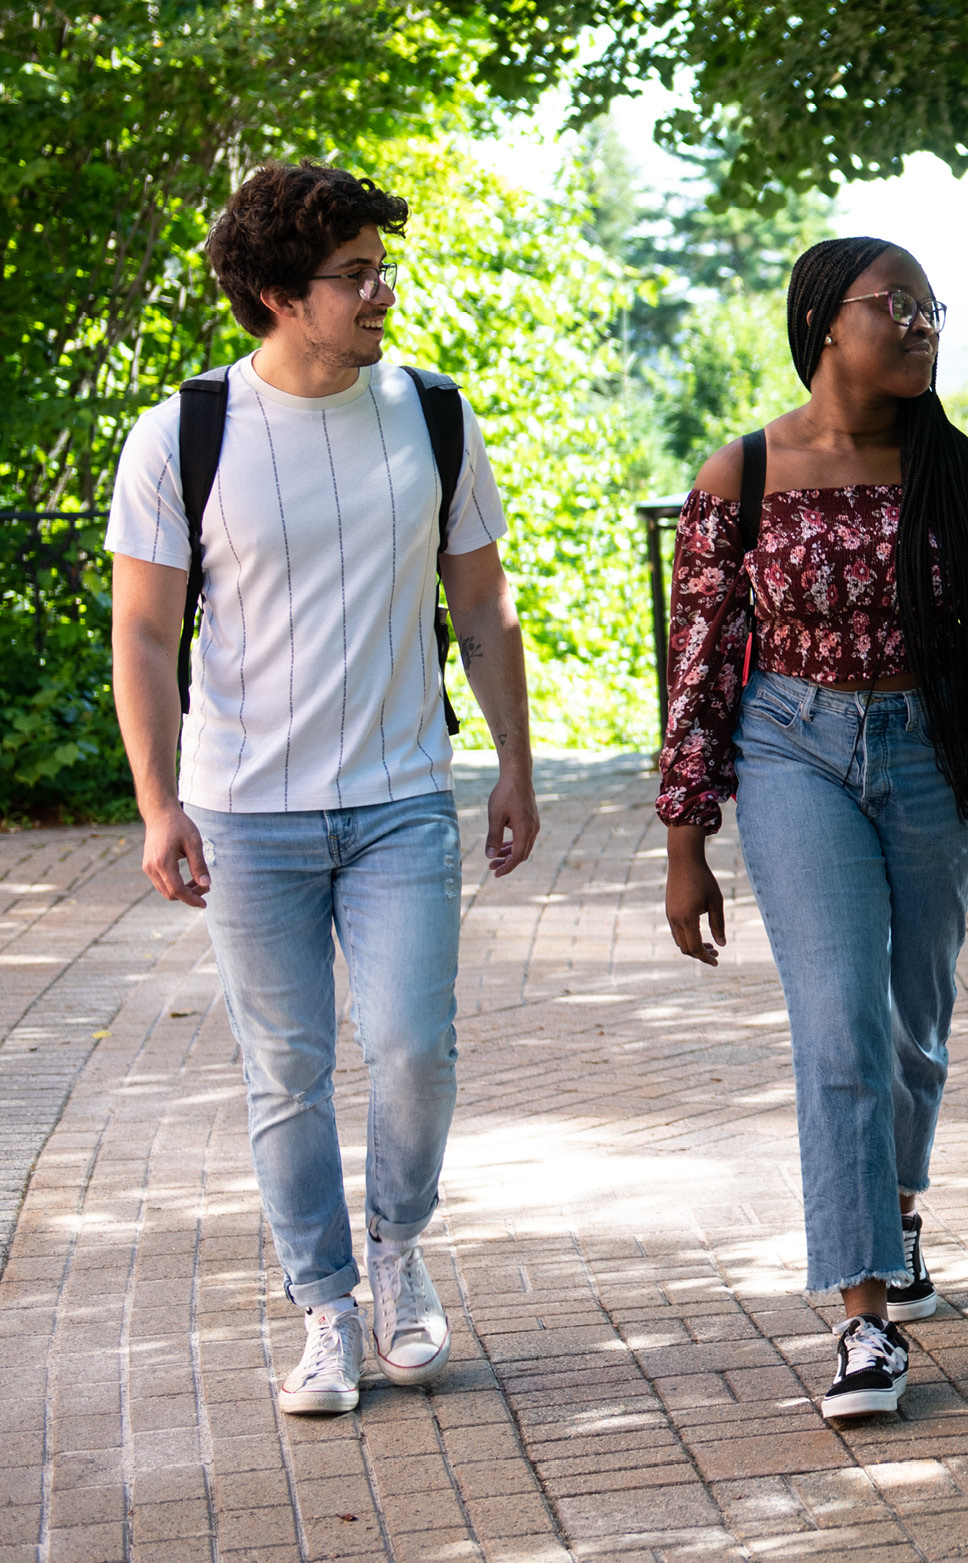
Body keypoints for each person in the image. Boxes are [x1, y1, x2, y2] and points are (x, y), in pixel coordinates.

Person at [107, 160, 539, 1415]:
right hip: (245, 809)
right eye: (354, 275)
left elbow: (482, 599)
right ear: (277, 296)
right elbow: (143, 633)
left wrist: (513, 764)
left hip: (404, 796)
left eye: (378, 268)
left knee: (411, 1045)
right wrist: (156, 800)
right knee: (283, 1072)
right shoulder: (184, 434)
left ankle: (399, 1254)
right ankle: (325, 1308)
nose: (380, 293)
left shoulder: (432, 414)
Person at [658, 236, 968, 1418]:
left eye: (933, 306)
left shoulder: (964, 477)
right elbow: (693, 667)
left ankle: (896, 1206)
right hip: (791, 750)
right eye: (899, 305)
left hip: (931, 757)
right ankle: (863, 1315)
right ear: (827, 321)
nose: (923, 323)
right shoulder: (739, 473)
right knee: (837, 1025)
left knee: (911, 1030)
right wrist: (685, 842)